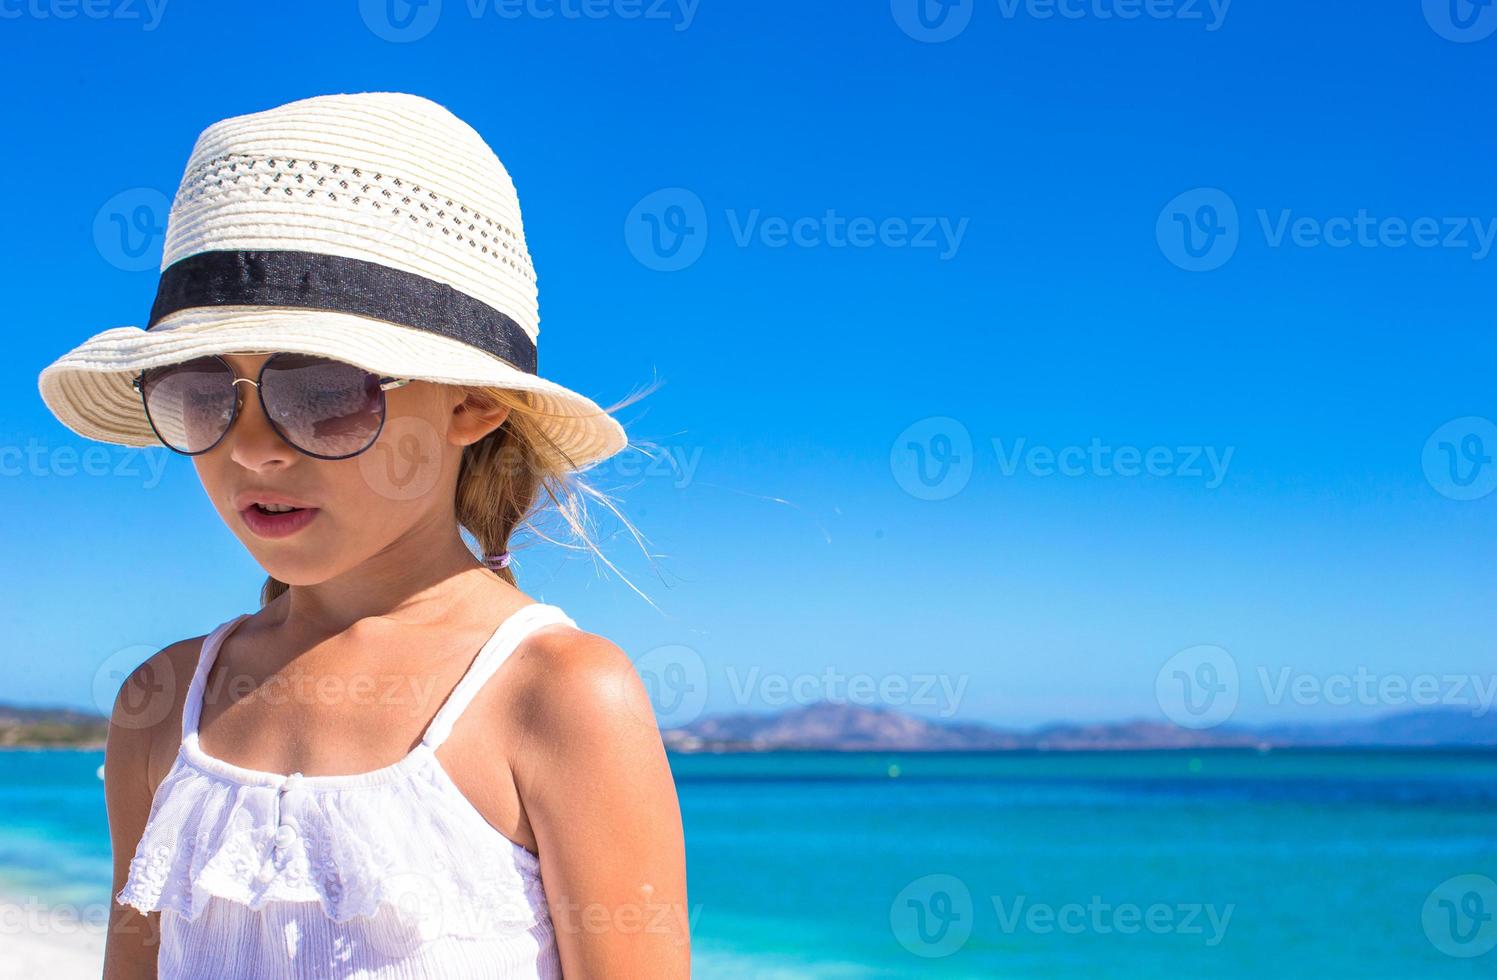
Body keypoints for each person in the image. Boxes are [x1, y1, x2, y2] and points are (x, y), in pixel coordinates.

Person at [36, 91, 689, 978]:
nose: (254, 448)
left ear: (470, 403)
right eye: (202, 393)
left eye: (323, 392)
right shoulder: (162, 703)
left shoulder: (559, 697)